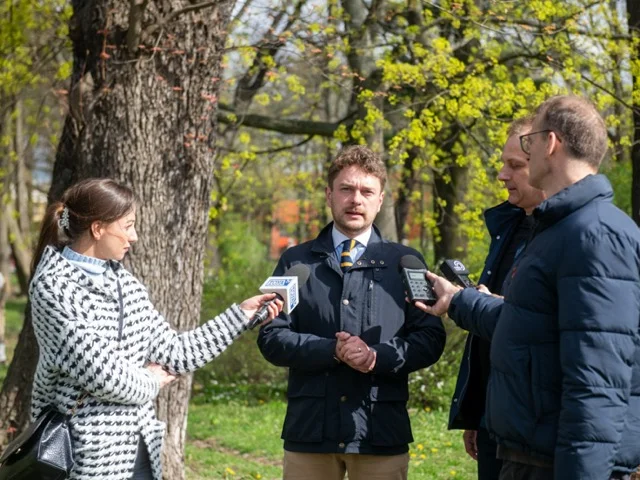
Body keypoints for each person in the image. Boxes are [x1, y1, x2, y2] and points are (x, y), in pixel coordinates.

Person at [417, 95, 640, 480]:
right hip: (529, 457)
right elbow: (530, 325)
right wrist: (458, 300)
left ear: (550, 143)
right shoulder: (558, 229)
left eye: (527, 144)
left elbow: (596, 381)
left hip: (554, 465)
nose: (512, 165)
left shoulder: (594, 235)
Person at [28, 178, 283, 480]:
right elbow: (103, 375)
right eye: (128, 225)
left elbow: (176, 352)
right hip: (81, 457)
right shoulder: (52, 289)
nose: (134, 236)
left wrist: (241, 316)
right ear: (98, 228)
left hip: (139, 451)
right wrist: (151, 380)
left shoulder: (128, 286)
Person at [257, 145, 446, 480]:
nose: (355, 199)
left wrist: (377, 356)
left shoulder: (407, 263)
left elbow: (430, 337)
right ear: (329, 195)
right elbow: (271, 335)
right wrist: (332, 350)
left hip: (379, 430)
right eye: (346, 189)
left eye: (366, 191)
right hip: (310, 432)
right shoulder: (296, 262)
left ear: (380, 199)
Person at [450, 116, 545, 480]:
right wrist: (477, 409)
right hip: (495, 416)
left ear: (547, 160)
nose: (503, 176)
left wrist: (470, 303)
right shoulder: (509, 225)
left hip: (534, 429)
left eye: (515, 165)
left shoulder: (567, 237)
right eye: (502, 164)